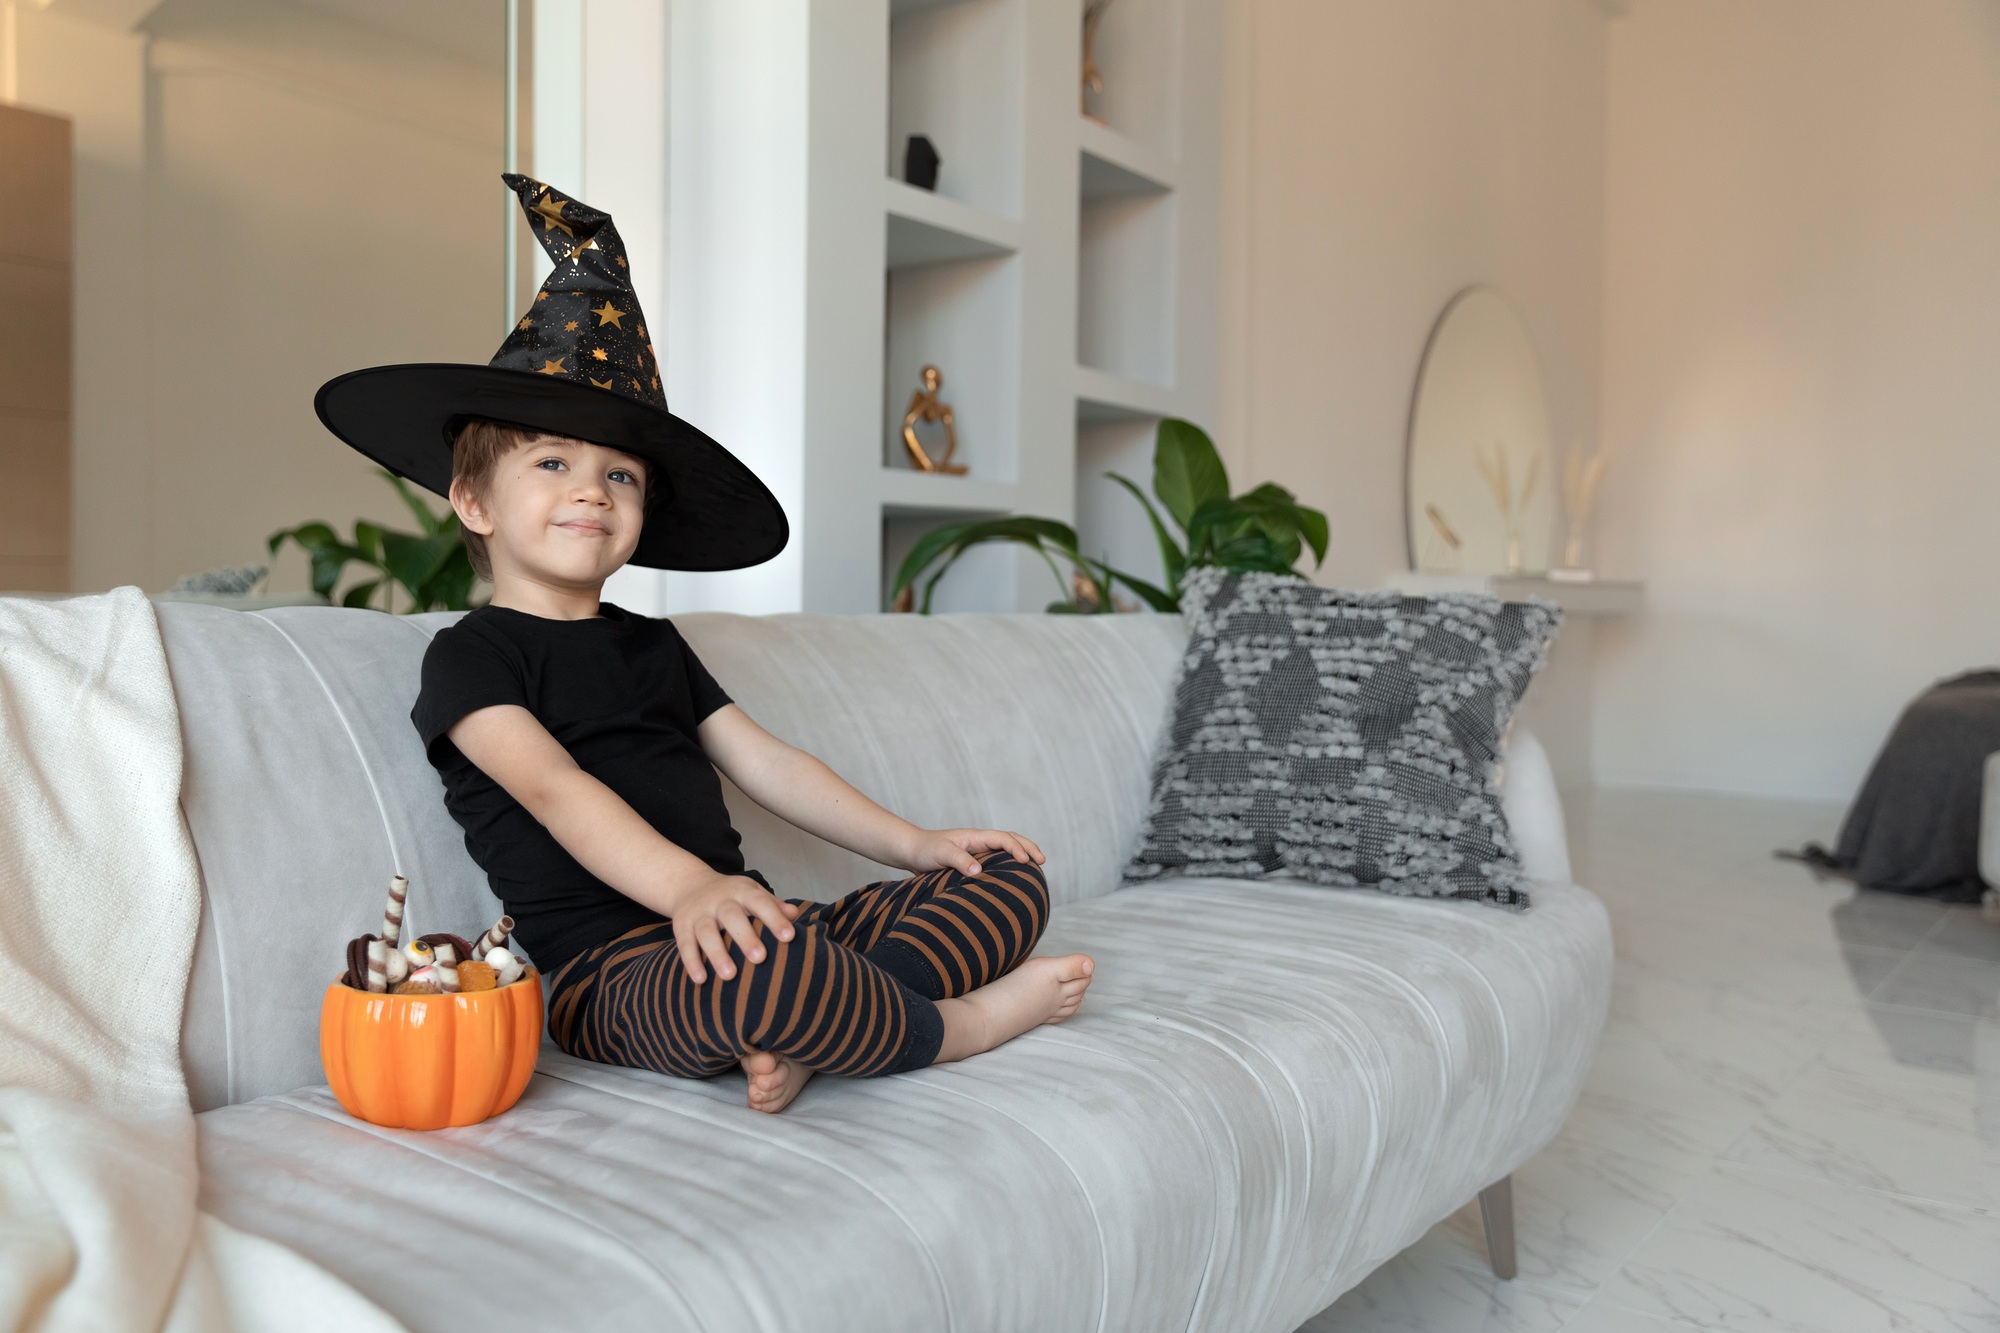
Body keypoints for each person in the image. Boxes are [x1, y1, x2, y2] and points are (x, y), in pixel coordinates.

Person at [313, 175, 1093, 1114]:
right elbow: (559, 795)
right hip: (618, 973)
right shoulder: (471, 658)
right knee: (762, 980)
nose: (593, 490)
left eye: (622, 475)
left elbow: (768, 762)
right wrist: (689, 891)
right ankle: (957, 1025)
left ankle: (823, 1025)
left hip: (757, 920)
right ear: (472, 501)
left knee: (1005, 881)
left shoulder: (654, 645)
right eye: (552, 462)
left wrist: (915, 843)